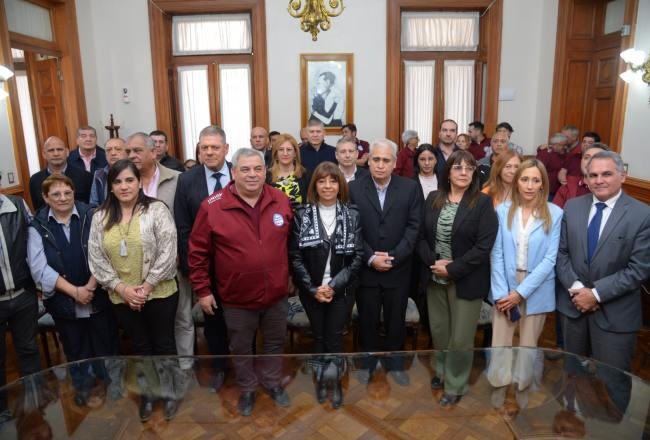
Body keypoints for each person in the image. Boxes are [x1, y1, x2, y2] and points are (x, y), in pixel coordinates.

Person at [188, 148, 293, 417]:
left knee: (273, 342)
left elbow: (291, 245)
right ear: (233, 172)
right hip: (236, 297)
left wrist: (289, 277)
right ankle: (247, 388)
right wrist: (202, 290)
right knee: (241, 346)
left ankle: (271, 382)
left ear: (265, 171)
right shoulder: (213, 206)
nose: (252, 174)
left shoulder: (280, 200)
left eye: (257, 169)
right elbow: (197, 253)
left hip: (276, 295)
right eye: (244, 169)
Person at [88, 159, 180, 422]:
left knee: (164, 345)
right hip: (121, 297)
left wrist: (147, 285)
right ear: (111, 186)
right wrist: (123, 289)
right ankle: (149, 395)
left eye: (130, 180)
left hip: (160, 292)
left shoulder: (157, 210)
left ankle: (170, 393)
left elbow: (168, 249)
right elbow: (96, 259)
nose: (124, 186)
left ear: (140, 182)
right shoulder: (100, 217)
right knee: (140, 347)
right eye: (118, 182)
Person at [556, 150, 650, 380]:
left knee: (612, 382)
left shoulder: (642, 214)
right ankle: (574, 414)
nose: (599, 181)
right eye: (593, 175)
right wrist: (579, 289)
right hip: (573, 308)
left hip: (615, 316)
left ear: (623, 175)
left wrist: (596, 295)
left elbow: (639, 269)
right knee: (573, 374)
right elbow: (561, 253)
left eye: (606, 174)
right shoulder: (572, 207)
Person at [416, 150, 498, 407]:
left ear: (474, 173)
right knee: (440, 333)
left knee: (461, 338)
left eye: (469, 168)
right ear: (448, 172)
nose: (463, 172)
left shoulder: (482, 203)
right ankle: (441, 372)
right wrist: (434, 263)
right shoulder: (432, 198)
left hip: (466, 280)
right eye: (458, 167)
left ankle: (456, 383)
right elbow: (419, 236)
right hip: (434, 278)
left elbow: (483, 247)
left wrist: (452, 269)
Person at [28, 174, 117, 407]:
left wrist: (89, 286)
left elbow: (105, 252)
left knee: (104, 345)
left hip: (97, 293)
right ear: (46, 198)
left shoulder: (92, 215)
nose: (63, 198)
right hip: (63, 301)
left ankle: (112, 389)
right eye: (55, 194)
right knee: (75, 348)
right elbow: (39, 268)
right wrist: (75, 292)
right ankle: (83, 389)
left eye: (67, 193)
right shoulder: (37, 225)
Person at [487, 159, 562, 410]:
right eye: (524, 179)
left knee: (529, 341)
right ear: (516, 181)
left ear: (543, 184)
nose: (530, 185)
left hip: (536, 285)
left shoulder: (555, 213)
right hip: (505, 283)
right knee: (501, 338)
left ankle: (522, 384)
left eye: (536, 180)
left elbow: (551, 258)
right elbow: (496, 253)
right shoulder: (503, 210)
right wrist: (501, 292)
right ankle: (498, 382)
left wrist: (520, 293)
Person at [289, 162, 363, 409]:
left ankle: (337, 382)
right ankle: (321, 379)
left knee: (335, 338)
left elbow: (357, 258)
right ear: (315, 185)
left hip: (342, 290)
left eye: (333, 180)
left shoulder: (352, 214)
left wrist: (333, 286)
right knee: (319, 337)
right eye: (322, 181)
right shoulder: (302, 214)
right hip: (312, 291)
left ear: (339, 184)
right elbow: (295, 257)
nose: (328, 186)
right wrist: (312, 289)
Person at [349, 139, 421, 386]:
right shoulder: (354, 189)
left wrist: (393, 257)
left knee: (395, 321)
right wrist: (370, 257)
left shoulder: (410, 188)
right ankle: (367, 365)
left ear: (394, 163)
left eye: (386, 160)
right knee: (367, 320)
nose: (380, 165)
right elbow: (352, 229)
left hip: (398, 268)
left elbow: (414, 227)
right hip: (366, 269)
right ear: (368, 162)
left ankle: (395, 365)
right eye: (376, 160)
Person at [174, 125, 231, 392]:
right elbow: (183, 229)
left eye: (214, 147)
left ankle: (246, 365)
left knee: (245, 321)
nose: (209, 152)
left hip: (240, 266)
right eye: (204, 147)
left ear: (226, 149)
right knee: (213, 321)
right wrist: (192, 271)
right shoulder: (187, 181)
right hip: (206, 267)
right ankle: (219, 368)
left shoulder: (242, 173)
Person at [0, 177, 41, 421]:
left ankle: (35, 401)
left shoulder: (16, 206)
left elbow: (34, 244)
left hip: (23, 294)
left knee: (29, 350)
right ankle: (2, 410)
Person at [29, 136, 92, 210]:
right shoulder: (35, 180)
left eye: (60, 149)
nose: (56, 154)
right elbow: (38, 209)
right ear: (44, 154)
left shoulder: (85, 177)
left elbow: (91, 206)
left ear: (67, 152)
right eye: (51, 150)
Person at [553, 142, 608, 209]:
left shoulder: (610, 191)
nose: (590, 161)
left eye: (597, 158)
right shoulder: (567, 187)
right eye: (586, 157)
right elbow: (554, 216)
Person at [266, 133, 310, 207]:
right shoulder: (267, 176)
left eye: (289, 149)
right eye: (281, 150)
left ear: (295, 153)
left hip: (300, 218)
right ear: (276, 154)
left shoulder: (305, 174)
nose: (285, 153)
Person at [89, 137, 128, 207]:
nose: (113, 153)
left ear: (127, 152)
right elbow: (93, 204)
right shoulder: (99, 174)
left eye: (118, 149)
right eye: (108, 150)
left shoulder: (136, 171)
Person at [536, 133, 568, 200]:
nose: (565, 147)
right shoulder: (545, 153)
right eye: (563, 145)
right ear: (556, 145)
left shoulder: (564, 153)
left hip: (558, 190)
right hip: (546, 190)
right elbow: (538, 170)